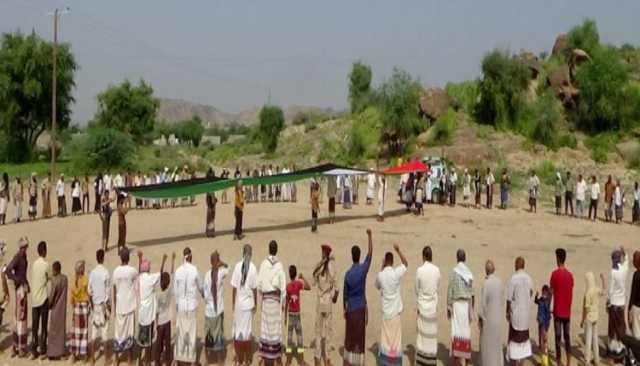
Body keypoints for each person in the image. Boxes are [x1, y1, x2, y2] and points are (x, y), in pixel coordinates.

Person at [343, 229, 373, 366]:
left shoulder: (348, 274)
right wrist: (370, 236)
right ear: (359, 256)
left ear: (351, 256)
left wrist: (344, 309)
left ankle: (348, 362)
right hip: (361, 307)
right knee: (360, 338)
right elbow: (370, 254)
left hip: (351, 308)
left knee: (350, 337)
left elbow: (345, 295)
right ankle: (359, 362)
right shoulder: (363, 269)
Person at [375, 244, 408, 365]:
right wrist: (399, 250)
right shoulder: (396, 273)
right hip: (395, 313)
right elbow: (405, 264)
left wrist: (381, 267)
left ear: (385, 262)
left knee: (386, 341)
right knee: (395, 341)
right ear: (393, 261)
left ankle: (385, 362)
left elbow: (377, 285)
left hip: (386, 313)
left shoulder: (381, 275)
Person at [257, 240, 287, 364]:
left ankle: (265, 353)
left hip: (266, 300)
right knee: (274, 328)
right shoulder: (279, 266)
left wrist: (263, 297)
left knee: (266, 327)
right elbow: (283, 287)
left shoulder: (263, 264)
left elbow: (259, 284)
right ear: (276, 250)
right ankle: (275, 353)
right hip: (275, 301)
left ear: (269, 249)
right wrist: (283, 302)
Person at [137, 252, 167, 365]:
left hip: (141, 314)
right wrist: (163, 261)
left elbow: (139, 271)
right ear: (148, 269)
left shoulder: (140, 278)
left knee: (141, 339)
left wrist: (139, 258)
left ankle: (139, 360)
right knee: (148, 341)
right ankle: (148, 361)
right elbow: (160, 273)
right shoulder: (150, 278)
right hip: (148, 314)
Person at [231, 244, 258, 366]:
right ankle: (247, 359)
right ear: (250, 254)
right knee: (247, 333)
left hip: (239, 305)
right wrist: (256, 303)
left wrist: (233, 303)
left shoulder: (237, 266)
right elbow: (254, 289)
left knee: (238, 332)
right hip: (248, 305)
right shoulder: (252, 267)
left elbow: (234, 288)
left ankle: (238, 359)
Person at [174, 247, 201, 365]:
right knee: (191, 332)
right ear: (190, 257)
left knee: (180, 332)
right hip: (191, 306)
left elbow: (175, 291)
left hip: (181, 306)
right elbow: (200, 286)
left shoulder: (178, 270)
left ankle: (180, 358)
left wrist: (177, 304)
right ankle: (191, 360)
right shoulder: (194, 269)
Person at [312, 244, 338, 366]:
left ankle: (317, 358)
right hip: (328, 302)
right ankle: (327, 359)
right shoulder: (332, 267)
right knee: (328, 332)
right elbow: (336, 288)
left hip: (319, 301)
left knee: (318, 332)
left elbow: (313, 281)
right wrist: (334, 298)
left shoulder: (319, 267)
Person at [447, 249, 474, 364]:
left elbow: (450, 290)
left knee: (456, 332)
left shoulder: (454, 272)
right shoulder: (469, 272)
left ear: (457, 258)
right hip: (466, 305)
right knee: (466, 333)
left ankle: (457, 360)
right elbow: (472, 293)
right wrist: (471, 309)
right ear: (465, 258)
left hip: (457, 306)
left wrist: (448, 306)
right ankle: (466, 360)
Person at [415, 246, 441, 366]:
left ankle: (421, 362)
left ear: (424, 256)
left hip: (422, 306)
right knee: (431, 337)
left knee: (421, 336)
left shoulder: (420, 270)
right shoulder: (437, 270)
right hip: (432, 307)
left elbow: (416, 288)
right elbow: (437, 285)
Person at [202, 251, 228, 365]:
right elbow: (229, 268)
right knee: (218, 334)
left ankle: (207, 359)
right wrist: (223, 263)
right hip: (218, 309)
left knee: (209, 334)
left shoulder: (207, 274)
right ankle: (219, 360)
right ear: (217, 262)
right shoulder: (221, 272)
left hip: (209, 309)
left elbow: (205, 292)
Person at [112, 248, 138, 365]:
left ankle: (116, 358)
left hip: (119, 306)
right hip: (129, 306)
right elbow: (139, 277)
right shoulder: (132, 271)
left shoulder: (116, 271)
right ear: (128, 258)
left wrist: (115, 304)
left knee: (118, 333)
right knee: (129, 333)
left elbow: (113, 289)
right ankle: (129, 360)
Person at [506, 257, 533, 365]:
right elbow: (530, 294)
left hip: (516, 316)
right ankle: (521, 363)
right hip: (525, 316)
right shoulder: (529, 279)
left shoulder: (513, 279)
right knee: (523, 343)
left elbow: (508, 299)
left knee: (514, 342)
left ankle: (514, 363)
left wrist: (507, 312)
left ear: (517, 265)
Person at [549, 248, 574, 366]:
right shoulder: (570, 275)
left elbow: (551, 291)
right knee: (567, 337)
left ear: (558, 259)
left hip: (558, 311)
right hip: (567, 311)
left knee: (558, 338)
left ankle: (559, 362)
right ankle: (568, 361)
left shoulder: (554, 274)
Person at [6, 237, 29, 358]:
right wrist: (18, 280)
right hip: (20, 291)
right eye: (25, 247)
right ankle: (20, 348)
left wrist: (26, 283)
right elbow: (8, 270)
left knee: (20, 317)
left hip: (22, 289)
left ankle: (16, 347)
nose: (26, 249)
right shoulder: (18, 257)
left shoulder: (23, 257)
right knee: (21, 318)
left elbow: (23, 273)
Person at [284, 265, 311, 366]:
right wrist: (303, 277)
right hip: (297, 315)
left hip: (290, 314)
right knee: (300, 338)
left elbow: (286, 302)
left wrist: (285, 317)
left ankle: (288, 360)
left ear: (289, 274)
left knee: (289, 339)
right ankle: (301, 360)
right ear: (295, 274)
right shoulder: (299, 284)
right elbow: (309, 287)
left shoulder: (288, 286)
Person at [88, 249, 111, 366]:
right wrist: (109, 306)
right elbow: (108, 292)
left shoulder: (92, 273)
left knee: (94, 333)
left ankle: (92, 359)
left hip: (95, 306)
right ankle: (107, 359)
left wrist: (92, 305)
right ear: (103, 258)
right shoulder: (106, 272)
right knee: (105, 333)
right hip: (103, 306)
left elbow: (89, 291)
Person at [479, 260, 503, 366]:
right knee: (497, 345)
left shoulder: (486, 283)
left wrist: (481, 319)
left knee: (487, 347)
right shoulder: (500, 282)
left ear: (486, 271)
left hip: (488, 321)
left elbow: (483, 305)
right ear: (494, 270)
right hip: (497, 318)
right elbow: (502, 300)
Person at [607, 247, 629, 361]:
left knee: (613, 330)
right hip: (622, 304)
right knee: (620, 328)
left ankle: (613, 352)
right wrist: (624, 253)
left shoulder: (613, 272)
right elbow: (626, 262)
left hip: (614, 304)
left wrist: (608, 302)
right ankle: (621, 351)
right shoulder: (623, 270)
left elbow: (610, 290)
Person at [155, 253, 176, 366]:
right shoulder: (169, 291)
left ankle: (157, 361)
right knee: (167, 343)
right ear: (168, 283)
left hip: (160, 321)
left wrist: (163, 261)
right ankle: (168, 361)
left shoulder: (158, 294)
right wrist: (172, 260)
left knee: (158, 344)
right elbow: (172, 274)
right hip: (167, 320)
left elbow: (160, 275)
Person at [31, 241, 50, 359]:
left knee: (34, 327)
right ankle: (43, 349)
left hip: (34, 299)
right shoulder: (46, 264)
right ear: (44, 251)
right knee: (43, 326)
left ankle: (34, 350)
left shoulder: (34, 264)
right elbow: (48, 277)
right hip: (43, 298)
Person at [581, 272, 605, 365]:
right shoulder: (596, 289)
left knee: (588, 340)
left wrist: (582, 320)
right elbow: (603, 291)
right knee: (595, 339)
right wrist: (603, 279)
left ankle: (587, 360)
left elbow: (586, 309)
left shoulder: (587, 293)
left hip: (589, 318)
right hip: (596, 317)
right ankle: (597, 359)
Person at [70, 260, 91, 362]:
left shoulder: (74, 281)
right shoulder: (85, 279)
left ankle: (74, 354)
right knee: (84, 330)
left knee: (75, 331)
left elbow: (71, 298)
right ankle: (83, 354)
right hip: (83, 306)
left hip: (76, 307)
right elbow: (88, 293)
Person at [47, 261, 67, 360]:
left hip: (55, 309)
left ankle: (52, 353)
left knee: (53, 332)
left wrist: (48, 306)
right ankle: (61, 352)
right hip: (62, 309)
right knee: (61, 331)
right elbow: (58, 277)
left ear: (55, 270)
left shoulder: (55, 282)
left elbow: (51, 297)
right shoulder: (65, 279)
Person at [534, 286, 551, 366]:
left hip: (544, 324)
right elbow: (536, 301)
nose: (543, 293)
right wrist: (536, 296)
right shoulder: (541, 299)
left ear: (547, 293)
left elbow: (548, 315)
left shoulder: (546, 301)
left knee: (544, 342)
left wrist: (546, 326)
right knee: (541, 342)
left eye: (545, 292)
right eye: (543, 292)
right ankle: (543, 362)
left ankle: (545, 363)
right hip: (541, 323)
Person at [630, 251, 640, 340]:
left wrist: (630, 308)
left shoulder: (636, 275)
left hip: (637, 307)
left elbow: (633, 293)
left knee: (636, 332)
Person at [205, 169, 217, 238]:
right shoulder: (211, 187)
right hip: (211, 205)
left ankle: (209, 232)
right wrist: (214, 201)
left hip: (209, 204)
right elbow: (212, 197)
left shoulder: (208, 186)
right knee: (211, 219)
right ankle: (210, 233)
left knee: (209, 219)